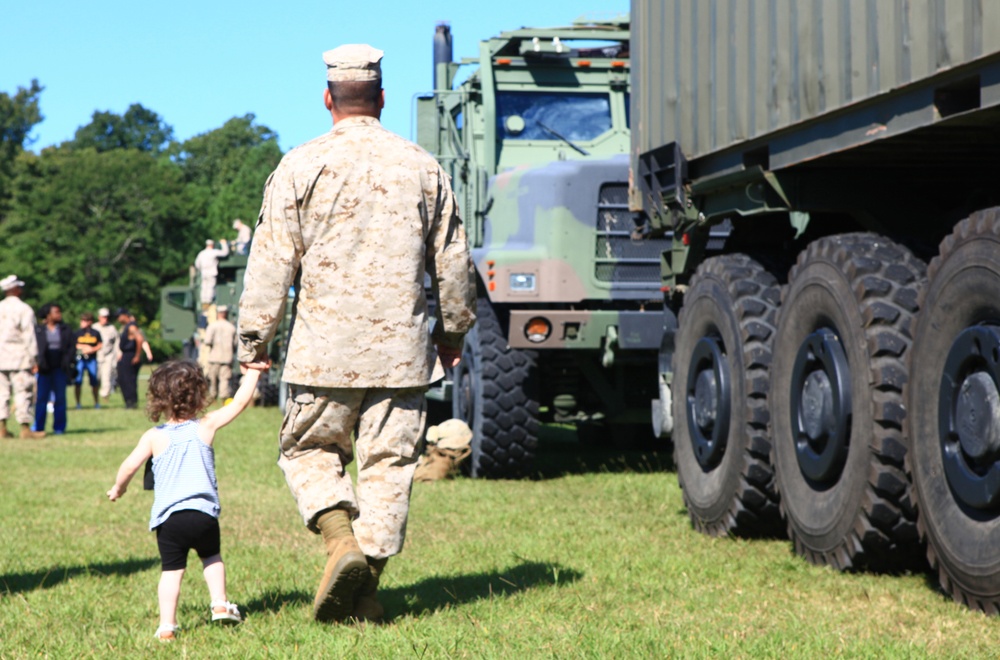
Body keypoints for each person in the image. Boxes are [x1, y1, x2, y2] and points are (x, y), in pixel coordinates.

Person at [237, 43, 476, 624]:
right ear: (382, 99)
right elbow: (452, 262)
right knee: (389, 469)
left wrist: (253, 343)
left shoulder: (300, 165)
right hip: (403, 355)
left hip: (323, 354)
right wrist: (453, 333)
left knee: (309, 450)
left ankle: (341, 543)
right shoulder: (423, 166)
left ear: (327, 98)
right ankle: (365, 593)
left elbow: (270, 263)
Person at [106, 358, 269, 641]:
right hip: (203, 514)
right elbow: (239, 403)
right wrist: (254, 372)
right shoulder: (205, 426)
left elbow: (129, 465)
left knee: (171, 570)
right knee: (212, 558)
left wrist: (118, 488)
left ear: (158, 398)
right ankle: (219, 603)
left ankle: (167, 625)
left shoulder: (153, 436)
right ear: (199, 394)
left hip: (169, 520)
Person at [0, 275, 43, 439]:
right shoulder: (24, 309)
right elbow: (29, 336)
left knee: (1, 393)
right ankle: (25, 428)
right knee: (23, 391)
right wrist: (34, 359)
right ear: (15, 289)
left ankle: (2, 428)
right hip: (19, 357)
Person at [33, 302, 74, 435]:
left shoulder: (65, 329)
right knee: (41, 399)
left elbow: (70, 348)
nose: (59, 314)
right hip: (44, 369)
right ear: (48, 315)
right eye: (56, 312)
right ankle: (39, 427)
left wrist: (67, 361)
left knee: (60, 399)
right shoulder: (39, 330)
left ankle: (59, 428)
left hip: (59, 368)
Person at [203, 305, 237, 402]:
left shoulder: (212, 326)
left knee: (212, 380)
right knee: (224, 380)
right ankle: (224, 398)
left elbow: (207, 341)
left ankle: (212, 398)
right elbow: (235, 344)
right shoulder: (231, 327)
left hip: (214, 358)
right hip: (227, 358)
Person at [116, 308, 145, 409]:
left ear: (125, 315)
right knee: (122, 379)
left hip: (130, 355)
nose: (118, 318)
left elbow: (140, 339)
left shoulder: (131, 326)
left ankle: (131, 402)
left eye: (119, 316)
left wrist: (137, 355)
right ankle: (128, 401)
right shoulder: (127, 326)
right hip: (126, 355)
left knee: (129, 380)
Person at [73, 312, 103, 409]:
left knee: (94, 382)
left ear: (89, 322)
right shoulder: (77, 333)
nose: (82, 322)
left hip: (91, 360)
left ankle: (96, 403)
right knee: (78, 381)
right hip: (80, 360)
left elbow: (100, 344)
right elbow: (73, 344)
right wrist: (84, 347)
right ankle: (78, 404)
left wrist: (92, 350)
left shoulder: (95, 333)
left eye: (84, 321)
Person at [194, 239, 230, 307]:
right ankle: (208, 302)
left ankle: (203, 301)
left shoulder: (201, 253)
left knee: (204, 287)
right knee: (210, 287)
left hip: (204, 272)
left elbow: (197, 264)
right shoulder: (213, 252)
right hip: (211, 272)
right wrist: (224, 244)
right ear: (212, 245)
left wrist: (202, 270)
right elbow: (225, 253)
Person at [95, 307, 119, 404]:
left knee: (107, 376)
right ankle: (96, 396)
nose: (105, 319)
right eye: (103, 317)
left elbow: (117, 341)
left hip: (108, 355)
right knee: (97, 377)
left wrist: (117, 353)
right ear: (99, 317)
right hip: (96, 355)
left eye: (106, 317)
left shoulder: (111, 328)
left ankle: (105, 396)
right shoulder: (94, 327)